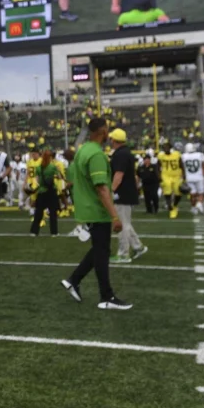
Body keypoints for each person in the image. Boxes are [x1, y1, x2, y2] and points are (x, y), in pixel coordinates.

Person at [61, 118, 130, 310]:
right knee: (102, 251)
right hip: (96, 209)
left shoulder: (82, 150)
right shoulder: (96, 154)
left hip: (87, 207)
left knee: (100, 249)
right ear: (103, 131)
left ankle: (74, 280)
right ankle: (106, 296)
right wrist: (114, 216)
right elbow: (101, 188)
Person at [109, 129, 145, 263]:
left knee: (122, 224)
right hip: (126, 192)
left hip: (122, 193)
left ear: (114, 140)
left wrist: (111, 191)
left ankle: (123, 253)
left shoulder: (120, 155)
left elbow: (119, 175)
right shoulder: (126, 153)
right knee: (126, 223)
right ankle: (138, 246)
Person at [29, 149, 61, 236]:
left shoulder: (39, 167)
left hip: (42, 191)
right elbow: (59, 177)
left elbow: (37, 179)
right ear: (50, 157)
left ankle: (34, 232)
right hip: (51, 191)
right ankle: (54, 232)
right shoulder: (53, 167)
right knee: (53, 213)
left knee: (38, 213)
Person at [181, 143, 204, 214]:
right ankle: (199, 204)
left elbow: (182, 167)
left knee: (192, 194)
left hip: (189, 177)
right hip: (198, 177)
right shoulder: (200, 155)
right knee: (201, 193)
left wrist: (182, 176)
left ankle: (193, 208)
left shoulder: (184, 156)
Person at [157, 142, 182, 218]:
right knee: (167, 191)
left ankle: (174, 205)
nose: (165, 149)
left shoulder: (176, 154)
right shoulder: (161, 155)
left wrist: (184, 176)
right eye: (164, 148)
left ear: (170, 148)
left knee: (178, 192)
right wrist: (159, 176)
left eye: (167, 148)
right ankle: (169, 206)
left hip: (176, 175)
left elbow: (181, 165)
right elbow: (158, 166)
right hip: (166, 175)